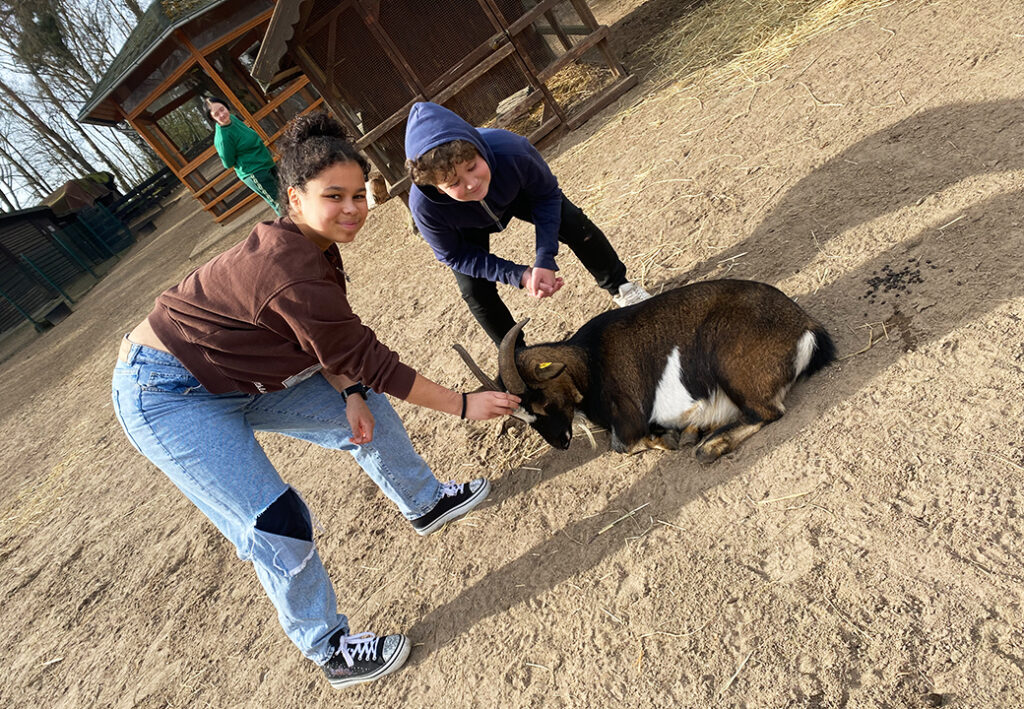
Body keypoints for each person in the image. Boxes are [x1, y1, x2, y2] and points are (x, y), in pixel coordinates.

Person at [111, 112, 520, 689]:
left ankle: (425, 502)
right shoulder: (287, 268)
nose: (353, 209)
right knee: (275, 519)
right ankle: (329, 648)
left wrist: (350, 389)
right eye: (334, 196)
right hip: (169, 393)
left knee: (364, 402)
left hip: (242, 376)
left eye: (358, 195)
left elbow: (327, 346)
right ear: (294, 198)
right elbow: (368, 356)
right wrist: (462, 404)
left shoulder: (314, 245)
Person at [404, 101, 651, 347]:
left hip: (515, 194)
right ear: (438, 187)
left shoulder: (512, 151)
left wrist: (545, 258)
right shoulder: (425, 207)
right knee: (473, 289)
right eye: (454, 183)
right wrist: (519, 274)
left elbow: (547, 195)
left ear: (479, 150)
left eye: (472, 167)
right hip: (464, 223)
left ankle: (622, 288)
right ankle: (515, 354)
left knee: (574, 223)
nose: (471, 183)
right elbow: (454, 255)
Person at [206, 97, 283, 216]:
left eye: (222, 109)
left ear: (226, 107)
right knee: (280, 203)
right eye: (216, 114)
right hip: (254, 172)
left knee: (288, 193)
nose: (222, 114)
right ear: (212, 118)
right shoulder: (223, 138)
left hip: (266, 162)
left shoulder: (232, 118)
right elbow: (228, 162)